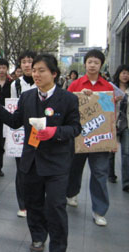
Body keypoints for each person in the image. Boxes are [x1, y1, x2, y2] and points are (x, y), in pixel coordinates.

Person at [0, 54, 81, 252]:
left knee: (56, 206)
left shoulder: (68, 99)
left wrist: (55, 131)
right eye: (34, 70)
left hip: (57, 163)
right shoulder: (27, 97)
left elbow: (75, 128)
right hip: (31, 161)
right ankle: (38, 237)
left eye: (41, 70)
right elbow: (15, 121)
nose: (36, 74)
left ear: (54, 74)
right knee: (34, 203)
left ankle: (58, 246)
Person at [66, 49, 114, 226]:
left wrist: (112, 140)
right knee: (74, 168)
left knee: (100, 173)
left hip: (100, 139)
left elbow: (109, 114)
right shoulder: (75, 85)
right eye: (90, 62)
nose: (92, 65)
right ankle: (71, 193)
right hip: (78, 137)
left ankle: (99, 211)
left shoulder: (107, 87)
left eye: (96, 62)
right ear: (85, 64)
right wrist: (80, 98)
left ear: (101, 65)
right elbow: (67, 107)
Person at [10, 51, 37, 218]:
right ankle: (23, 204)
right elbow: (13, 108)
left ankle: (36, 201)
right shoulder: (16, 85)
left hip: (40, 133)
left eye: (30, 61)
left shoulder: (42, 81)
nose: (27, 65)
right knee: (22, 169)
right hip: (21, 133)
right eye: (24, 62)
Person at [112, 64, 129, 192]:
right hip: (112, 122)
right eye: (123, 73)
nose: (125, 75)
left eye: (127, 73)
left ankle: (126, 182)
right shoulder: (111, 88)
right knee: (110, 152)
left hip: (126, 124)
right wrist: (114, 100)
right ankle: (110, 174)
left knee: (126, 153)